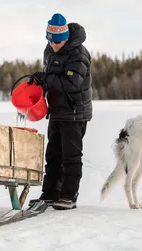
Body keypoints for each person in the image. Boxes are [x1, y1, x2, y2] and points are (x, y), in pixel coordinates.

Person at [28, 13, 93, 210]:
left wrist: (46, 79)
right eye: (51, 40)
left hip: (75, 111)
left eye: (58, 41)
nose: (54, 45)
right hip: (56, 110)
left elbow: (72, 83)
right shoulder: (48, 50)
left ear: (66, 37)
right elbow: (51, 78)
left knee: (70, 156)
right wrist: (39, 86)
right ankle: (49, 194)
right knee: (53, 155)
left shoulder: (78, 53)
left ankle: (68, 195)